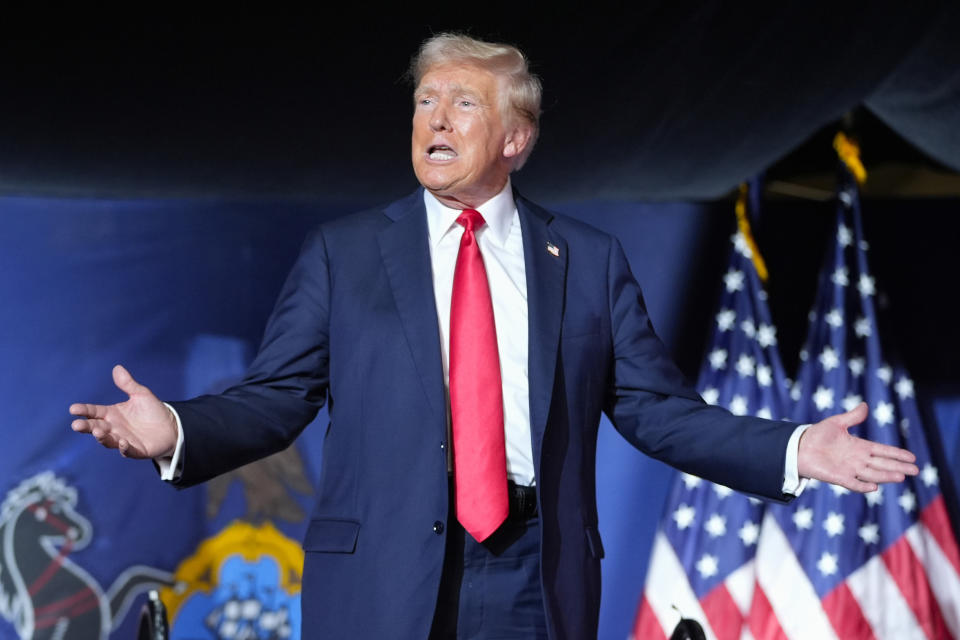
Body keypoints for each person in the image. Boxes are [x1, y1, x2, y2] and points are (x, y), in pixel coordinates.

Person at [70, 33, 918, 639]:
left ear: (515, 138)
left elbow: (659, 412)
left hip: (532, 576)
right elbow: (275, 399)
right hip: (382, 579)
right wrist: (175, 428)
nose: (434, 119)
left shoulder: (586, 261)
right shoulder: (345, 255)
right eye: (424, 102)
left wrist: (795, 451)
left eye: (462, 102)